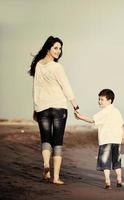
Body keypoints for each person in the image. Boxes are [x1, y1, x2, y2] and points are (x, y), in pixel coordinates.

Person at [29, 36, 80, 185]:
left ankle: (46, 166)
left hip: (42, 108)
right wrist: (75, 105)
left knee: (46, 139)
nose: (59, 51)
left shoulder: (38, 65)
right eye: (56, 48)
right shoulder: (57, 67)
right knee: (57, 141)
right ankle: (56, 178)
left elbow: (36, 89)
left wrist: (35, 107)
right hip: (59, 107)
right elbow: (66, 87)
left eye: (60, 48)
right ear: (48, 49)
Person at [74, 89, 124, 189]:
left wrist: (80, 117)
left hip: (106, 140)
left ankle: (108, 182)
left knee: (105, 162)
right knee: (116, 161)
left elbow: (92, 120)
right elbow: (121, 125)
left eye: (102, 99)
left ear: (109, 101)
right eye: (99, 99)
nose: (99, 101)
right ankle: (119, 180)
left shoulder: (104, 112)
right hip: (116, 141)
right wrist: (123, 136)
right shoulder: (117, 111)